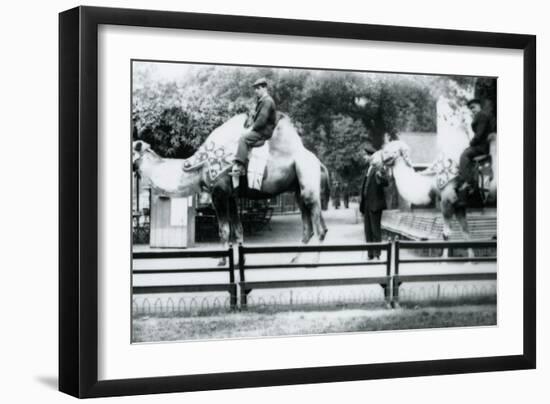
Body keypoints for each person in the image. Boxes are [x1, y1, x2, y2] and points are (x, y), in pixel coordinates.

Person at [232, 78, 277, 176]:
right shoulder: (262, 101)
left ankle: (240, 168)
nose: (256, 91)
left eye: (258, 88)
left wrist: (250, 129)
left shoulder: (268, 101)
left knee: (243, 138)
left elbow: (261, 121)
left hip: (263, 132)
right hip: (260, 130)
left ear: (264, 88)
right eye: (255, 89)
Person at [458, 98, 494, 193]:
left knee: (464, 155)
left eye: (473, 107)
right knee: (466, 151)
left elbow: (479, 134)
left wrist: (471, 143)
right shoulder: (482, 115)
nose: (472, 110)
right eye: (470, 108)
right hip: (482, 146)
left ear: (479, 106)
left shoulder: (481, 115)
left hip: (481, 147)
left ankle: (468, 181)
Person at [359, 143, 388, 260]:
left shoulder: (378, 168)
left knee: (375, 231)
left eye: (365, 156)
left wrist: (380, 176)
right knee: (368, 231)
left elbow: (386, 182)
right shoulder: (369, 169)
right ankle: (370, 254)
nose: (363, 158)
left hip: (375, 204)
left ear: (370, 156)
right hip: (367, 204)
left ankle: (377, 254)